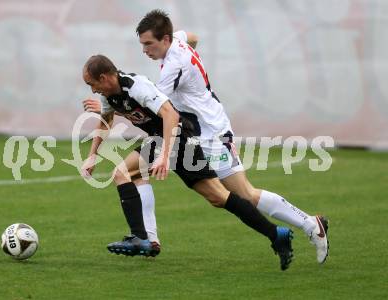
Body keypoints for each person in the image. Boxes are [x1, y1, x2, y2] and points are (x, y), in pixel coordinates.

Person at [84, 9, 329, 264]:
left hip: (209, 131)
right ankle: (147, 238)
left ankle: (308, 225)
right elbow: (192, 37)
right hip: (199, 127)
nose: (145, 50)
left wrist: (163, 153)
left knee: (240, 194)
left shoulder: (171, 70)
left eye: (149, 44)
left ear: (165, 39)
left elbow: (160, 110)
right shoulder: (176, 41)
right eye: (142, 44)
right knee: (210, 193)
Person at [81, 54, 294, 270]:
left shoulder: (136, 86)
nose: (93, 90)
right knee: (218, 197)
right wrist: (92, 155)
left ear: (105, 77)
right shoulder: (109, 97)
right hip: (164, 140)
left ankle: (140, 237)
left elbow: (171, 115)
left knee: (122, 173)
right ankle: (277, 234)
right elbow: (105, 121)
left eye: (92, 84)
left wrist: (164, 155)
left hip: (176, 138)